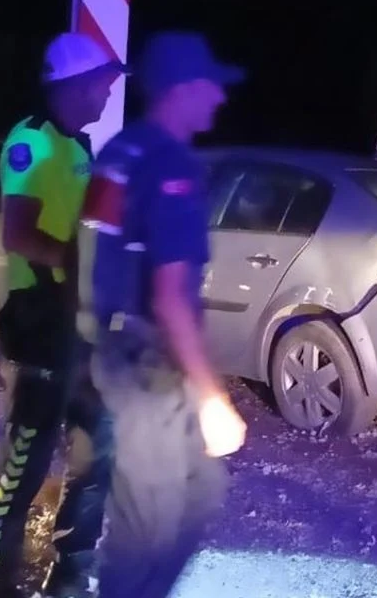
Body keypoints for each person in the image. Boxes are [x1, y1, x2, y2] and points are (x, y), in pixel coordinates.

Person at [83, 31, 248, 597]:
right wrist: (212, 398)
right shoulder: (170, 165)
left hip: (115, 350)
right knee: (146, 528)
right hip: (147, 368)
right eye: (211, 86)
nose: (219, 99)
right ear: (182, 89)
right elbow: (171, 295)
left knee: (202, 491)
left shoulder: (119, 153)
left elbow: (88, 249)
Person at [0, 34, 123, 598]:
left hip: (76, 324)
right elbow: (18, 233)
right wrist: (77, 264)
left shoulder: (77, 145)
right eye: (102, 83)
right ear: (75, 85)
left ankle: (72, 575)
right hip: (41, 323)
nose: (108, 93)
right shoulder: (33, 141)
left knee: (99, 442)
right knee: (24, 464)